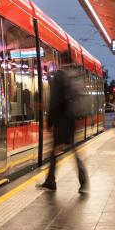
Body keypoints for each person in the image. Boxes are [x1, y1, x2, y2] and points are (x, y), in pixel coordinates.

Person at [37, 51, 88, 193]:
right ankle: (52, 180)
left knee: (56, 151)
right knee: (66, 150)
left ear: (61, 59)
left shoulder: (60, 74)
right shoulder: (77, 74)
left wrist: (49, 121)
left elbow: (55, 101)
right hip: (71, 120)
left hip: (61, 120)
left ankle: (53, 180)